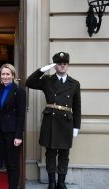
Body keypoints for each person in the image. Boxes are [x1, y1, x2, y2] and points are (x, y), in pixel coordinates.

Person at [25, 52, 81, 189]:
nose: (62, 66)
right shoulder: (47, 80)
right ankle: (51, 182)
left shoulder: (74, 84)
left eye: (65, 63)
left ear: (67, 65)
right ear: (55, 66)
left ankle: (61, 182)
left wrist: (76, 126)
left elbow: (77, 107)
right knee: (50, 153)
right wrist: (42, 70)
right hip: (51, 121)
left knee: (64, 154)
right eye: (59, 63)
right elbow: (29, 82)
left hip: (66, 122)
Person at [0, 63, 26, 189]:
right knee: (7, 164)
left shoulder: (19, 92)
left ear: (13, 75)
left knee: (14, 165)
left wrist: (18, 136)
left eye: (8, 74)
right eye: (3, 74)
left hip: (13, 133)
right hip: (2, 132)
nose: (5, 76)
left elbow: (21, 115)